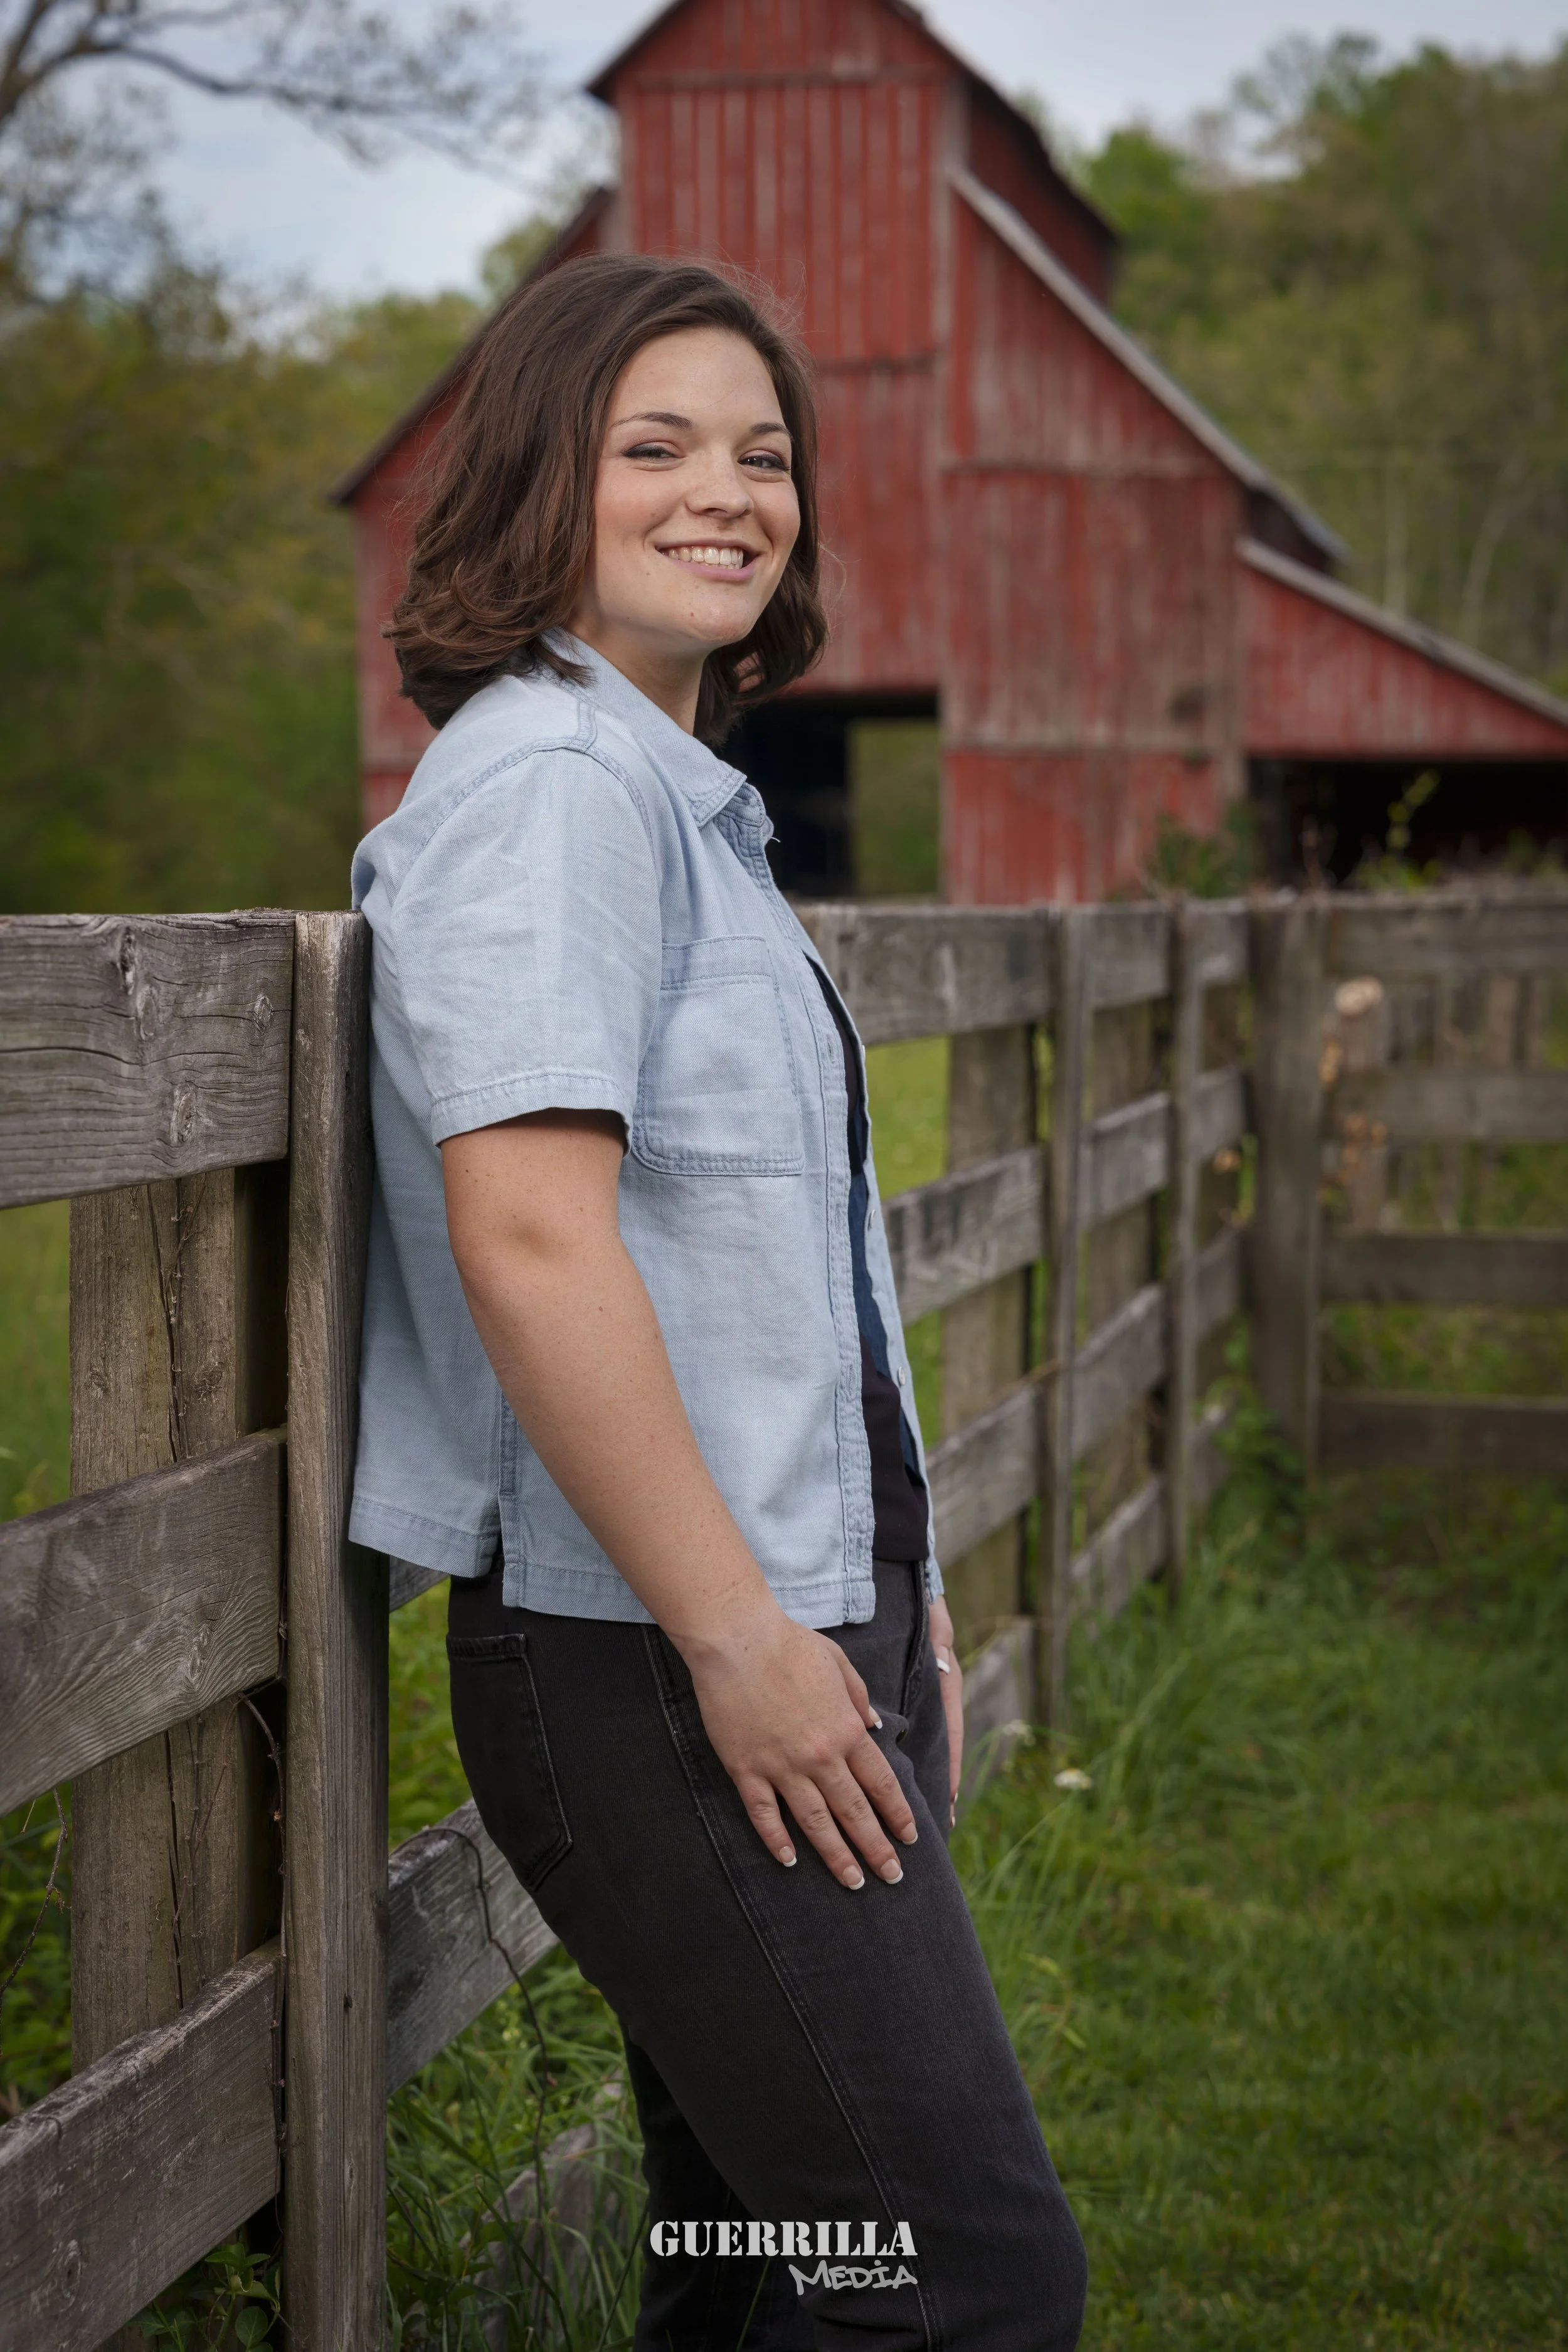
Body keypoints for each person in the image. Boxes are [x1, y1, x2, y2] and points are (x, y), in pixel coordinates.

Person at [349, 250, 1087, 2351]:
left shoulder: (677, 804)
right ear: (533, 486)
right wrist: (748, 1641)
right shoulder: (560, 795)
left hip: (766, 1618)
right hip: (662, 1657)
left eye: (764, 454)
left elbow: (764, 1257)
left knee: (771, 2254)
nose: (729, 492)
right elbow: (533, 1235)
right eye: (652, 444)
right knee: (963, 2274)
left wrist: (887, 1596)